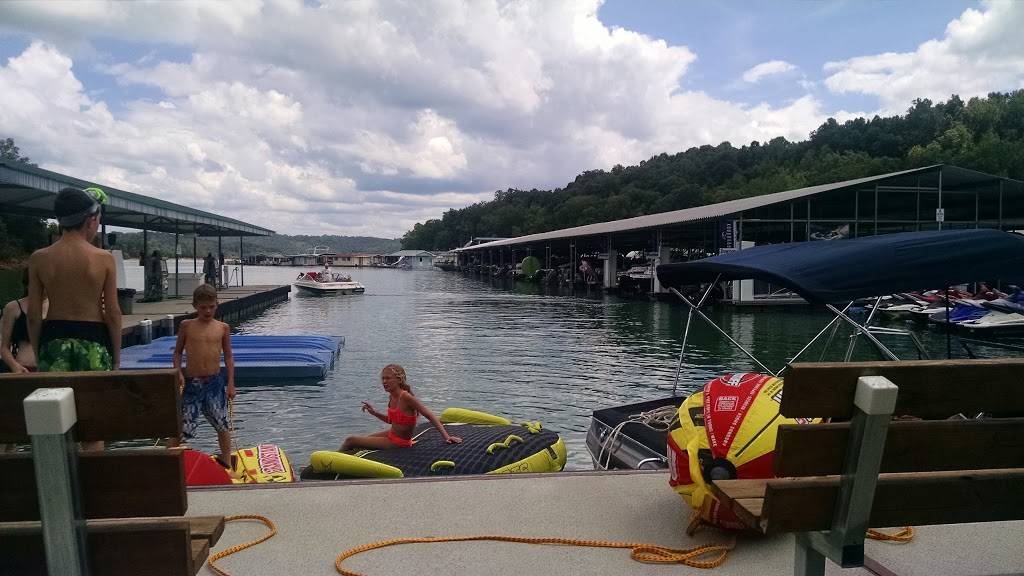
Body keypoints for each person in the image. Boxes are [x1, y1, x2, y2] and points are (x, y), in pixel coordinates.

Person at [28, 187, 121, 374]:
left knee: (55, 393)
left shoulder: (39, 258)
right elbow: (113, 313)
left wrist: (39, 354)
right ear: (91, 220)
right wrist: (116, 360)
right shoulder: (104, 258)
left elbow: (33, 315)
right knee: (94, 393)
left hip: (53, 339)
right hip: (93, 339)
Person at [171, 284, 236, 467]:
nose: (207, 311)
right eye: (203, 307)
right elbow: (177, 353)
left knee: (222, 424)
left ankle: (226, 462)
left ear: (217, 305)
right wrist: (178, 372)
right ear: (195, 306)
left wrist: (231, 383)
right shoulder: (187, 326)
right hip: (192, 383)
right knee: (183, 425)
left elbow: (229, 356)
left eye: (211, 307)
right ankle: (170, 459)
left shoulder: (223, 327)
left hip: (214, 383)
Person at [340, 364, 462, 451]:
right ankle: (344, 462)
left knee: (350, 440)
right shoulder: (392, 396)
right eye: (383, 378)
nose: (384, 381)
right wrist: (374, 412)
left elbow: (429, 415)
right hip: (391, 434)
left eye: (388, 378)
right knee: (363, 441)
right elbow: (391, 421)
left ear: (399, 380)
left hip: (398, 442)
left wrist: (447, 437)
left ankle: (331, 462)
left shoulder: (406, 397)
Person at [2, 268, 47, 373]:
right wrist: (14, 366)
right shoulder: (13, 307)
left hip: (49, 369)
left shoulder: (56, 308)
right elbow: (4, 347)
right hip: (22, 368)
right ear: (28, 285)